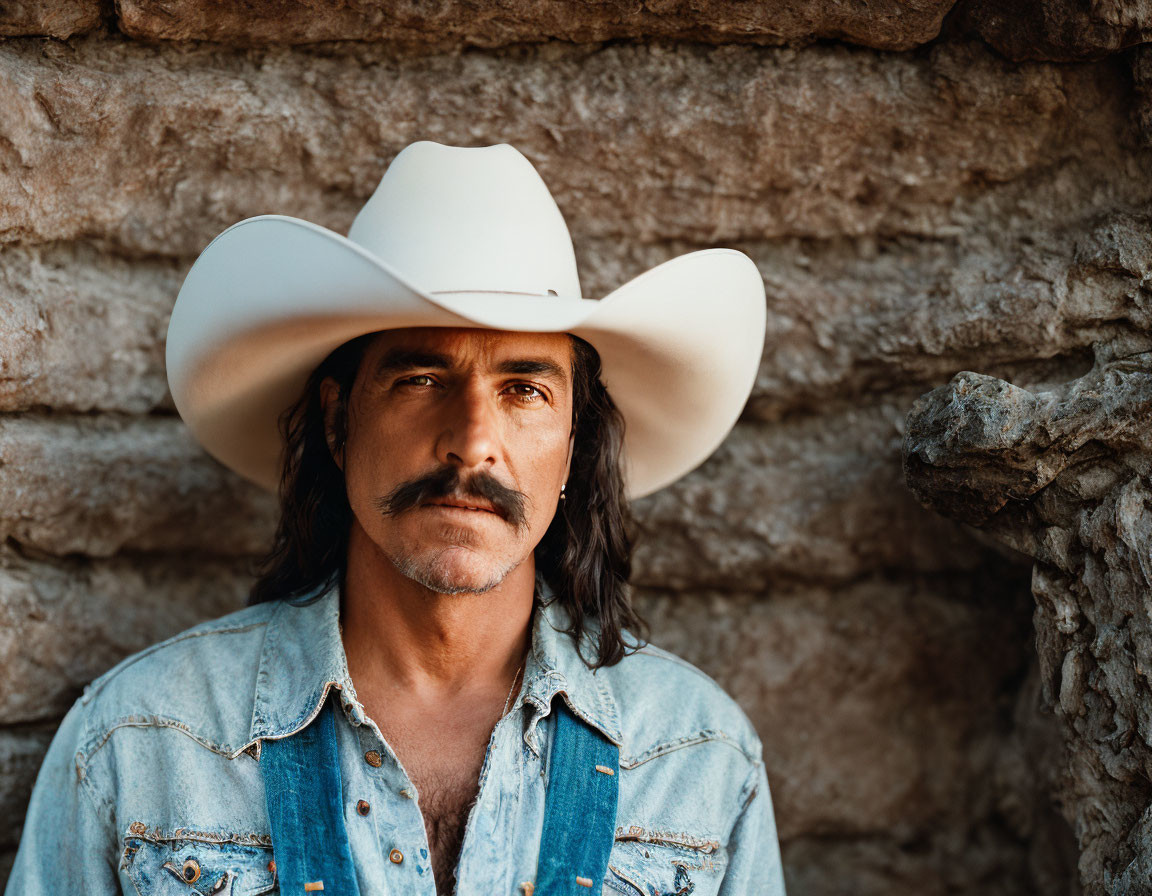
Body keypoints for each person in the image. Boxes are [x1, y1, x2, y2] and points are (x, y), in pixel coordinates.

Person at [5, 141, 786, 896]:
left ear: (573, 447)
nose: (473, 444)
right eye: (420, 378)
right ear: (340, 422)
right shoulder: (146, 743)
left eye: (525, 390)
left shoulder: (696, 759)